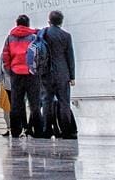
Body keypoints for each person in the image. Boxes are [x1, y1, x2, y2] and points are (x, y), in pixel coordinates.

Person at [0, 14, 42, 139]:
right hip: (31, 74)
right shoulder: (33, 37)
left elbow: (5, 55)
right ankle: (37, 130)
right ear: (28, 24)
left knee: (16, 104)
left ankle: (15, 131)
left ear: (17, 23)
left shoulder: (10, 37)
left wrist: (10, 70)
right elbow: (38, 54)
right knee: (34, 104)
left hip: (16, 74)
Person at [41, 10, 77, 139]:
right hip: (63, 73)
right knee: (64, 102)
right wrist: (72, 76)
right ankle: (66, 131)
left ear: (49, 21)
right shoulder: (66, 36)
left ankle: (46, 129)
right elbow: (70, 57)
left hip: (46, 73)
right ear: (61, 22)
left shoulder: (43, 33)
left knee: (46, 101)